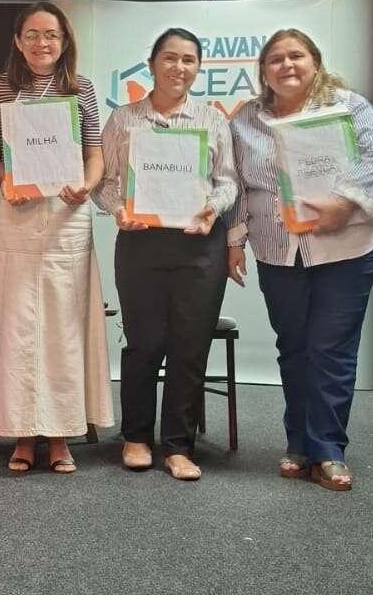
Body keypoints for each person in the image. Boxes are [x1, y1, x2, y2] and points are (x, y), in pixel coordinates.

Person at [227, 28, 373, 491]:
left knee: (331, 347)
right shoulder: (246, 119)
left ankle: (328, 450)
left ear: (315, 63)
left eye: (296, 56)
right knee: (294, 346)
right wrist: (235, 239)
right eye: (275, 59)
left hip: (348, 246)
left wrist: (343, 203)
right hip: (278, 248)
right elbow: (236, 181)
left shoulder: (347, 106)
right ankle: (298, 442)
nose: (287, 65)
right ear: (263, 71)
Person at [94, 27, 237, 481]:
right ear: (152, 63)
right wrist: (118, 210)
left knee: (189, 347)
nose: (179, 67)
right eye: (170, 58)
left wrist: (213, 210)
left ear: (198, 68)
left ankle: (178, 445)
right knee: (144, 344)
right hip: (141, 242)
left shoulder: (213, 119)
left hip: (200, 244)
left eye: (189, 60)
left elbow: (228, 180)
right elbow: (106, 182)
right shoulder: (124, 119)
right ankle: (136, 436)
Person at [0, 1, 114, 473]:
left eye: (52, 35)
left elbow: (94, 154)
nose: (43, 43)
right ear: (18, 41)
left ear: (64, 42)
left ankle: (60, 436)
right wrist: (4, 180)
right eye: (33, 34)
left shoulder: (82, 89)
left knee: (64, 324)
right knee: (15, 323)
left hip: (67, 213)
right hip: (16, 212)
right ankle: (20, 434)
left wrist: (88, 184)